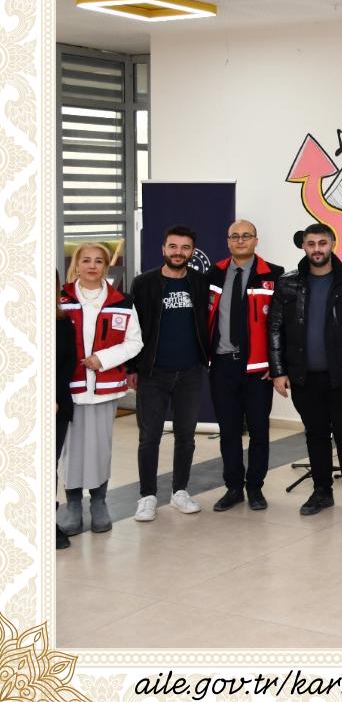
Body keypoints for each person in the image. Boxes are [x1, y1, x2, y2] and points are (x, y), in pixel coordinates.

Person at [268, 223, 342, 518]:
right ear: (303, 246)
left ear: (332, 244)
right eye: (311, 243)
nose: (317, 249)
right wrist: (278, 371)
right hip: (304, 376)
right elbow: (275, 328)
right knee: (315, 435)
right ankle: (322, 491)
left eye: (322, 243)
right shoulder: (287, 283)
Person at [57, 244, 142, 537]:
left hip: (105, 387)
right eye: (86, 260)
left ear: (106, 266)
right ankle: (72, 504)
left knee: (100, 446)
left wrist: (102, 359)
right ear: (76, 265)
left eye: (98, 261)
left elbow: (134, 342)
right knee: (70, 449)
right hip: (68, 389)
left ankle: (99, 502)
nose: (92, 266)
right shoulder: (60, 298)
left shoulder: (122, 301)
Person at [129, 225, 212, 522]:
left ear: (192, 252)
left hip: (190, 372)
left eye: (185, 248)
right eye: (173, 246)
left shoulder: (200, 282)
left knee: (186, 436)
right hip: (153, 373)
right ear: (163, 248)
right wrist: (132, 368)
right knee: (149, 437)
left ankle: (180, 491)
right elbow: (133, 328)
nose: (179, 252)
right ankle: (147, 496)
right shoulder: (144, 283)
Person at [207, 219, 283, 513]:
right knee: (228, 431)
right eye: (234, 236)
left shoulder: (274, 274)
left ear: (256, 240)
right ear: (228, 241)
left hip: (259, 370)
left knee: (259, 431)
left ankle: (255, 487)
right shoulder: (213, 273)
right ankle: (234, 487)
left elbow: (282, 325)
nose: (240, 241)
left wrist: (277, 365)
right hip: (222, 366)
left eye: (246, 236)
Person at [56, 279, 77, 549]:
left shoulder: (62, 323)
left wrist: (53, 397)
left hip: (56, 404)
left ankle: (46, 520)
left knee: (47, 466)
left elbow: (67, 363)